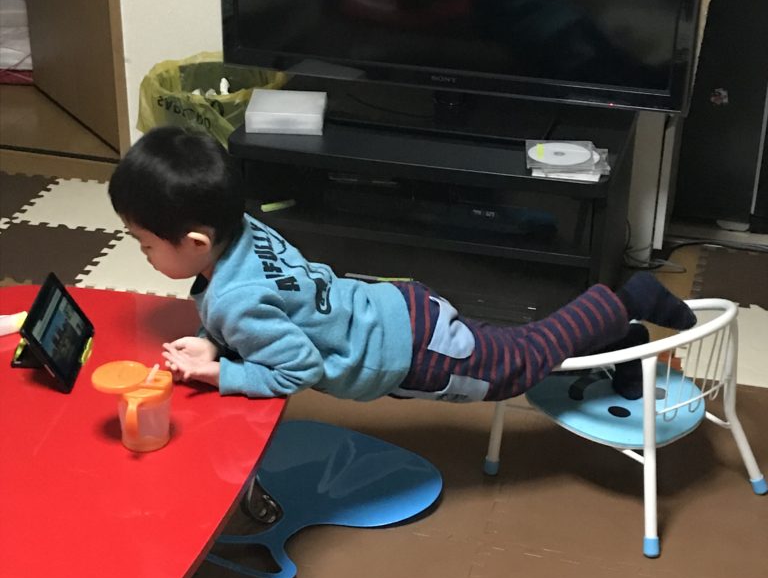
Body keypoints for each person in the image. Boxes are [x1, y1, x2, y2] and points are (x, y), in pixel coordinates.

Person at [108, 126, 695, 404]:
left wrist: (223, 374)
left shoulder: (234, 300)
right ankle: (626, 342)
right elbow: (271, 305)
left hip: (412, 352)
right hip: (396, 309)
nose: (145, 255)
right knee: (523, 350)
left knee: (520, 362)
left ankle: (631, 298)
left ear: (195, 242)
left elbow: (296, 368)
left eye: (145, 245)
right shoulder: (244, 228)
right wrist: (213, 341)